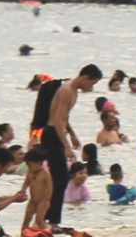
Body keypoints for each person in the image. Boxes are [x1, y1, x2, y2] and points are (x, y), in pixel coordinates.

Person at [35, 64, 99, 227]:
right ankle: (50, 220)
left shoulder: (74, 91)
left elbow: (64, 118)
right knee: (61, 179)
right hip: (51, 134)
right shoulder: (66, 90)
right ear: (85, 78)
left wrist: (73, 134)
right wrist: (67, 147)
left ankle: (50, 219)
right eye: (92, 83)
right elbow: (56, 120)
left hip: (58, 134)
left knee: (59, 179)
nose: (91, 87)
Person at [18, 149, 54, 237]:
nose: (29, 168)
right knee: (26, 219)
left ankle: (44, 235)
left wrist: (47, 199)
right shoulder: (30, 172)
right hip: (33, 200)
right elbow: (26, 182)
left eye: (30, 165)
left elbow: (50, 187)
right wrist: (23, 191)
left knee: (39, 220)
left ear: (38, 163)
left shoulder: (45, 173)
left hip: (43, 201)